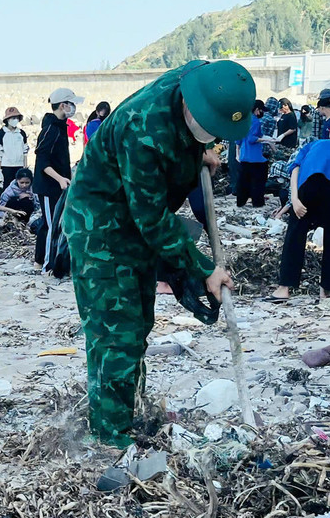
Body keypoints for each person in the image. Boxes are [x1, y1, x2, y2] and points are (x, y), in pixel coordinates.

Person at [63, 59, 252, 446]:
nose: (214, 138)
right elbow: (152, 220)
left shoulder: (201, 79)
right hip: (101, 227)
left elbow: (186, 144)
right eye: (209, 131)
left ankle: (129, 406)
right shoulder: (142, 129)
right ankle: (110, 435)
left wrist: (200, 148)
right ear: (190, 107)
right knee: (116, 331)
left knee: (138, 323)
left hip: (133, 220)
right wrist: (204, 269)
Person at [268, 139, 330, 302]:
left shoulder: (311, 146)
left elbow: (294, 168)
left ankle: (284, 288)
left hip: (308, 185)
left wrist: (294, 200)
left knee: (295, 234)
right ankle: (326, 290)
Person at [34, 88, 78, 271]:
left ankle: (38, 261)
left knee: (48, 223)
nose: (74, 107)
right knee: (52, 226)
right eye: (71, 104)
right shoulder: (51, 129)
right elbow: (42, 161)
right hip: (48, 186)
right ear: (63, 105)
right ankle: (46, 266)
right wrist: (60, 179)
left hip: (58, 184)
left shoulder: (61, 126)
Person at [236, 100, 269, 207]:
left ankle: (241, 202)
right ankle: (257, 202)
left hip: (244, 156)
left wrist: (237, 154)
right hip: (255, 157)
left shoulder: (243, 121)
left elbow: (238, 140)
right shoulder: (256, 122)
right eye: (260, 111)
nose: (261, 113)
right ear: (256, 110)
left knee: (243, 182)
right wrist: (266, 140)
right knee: (258, 182)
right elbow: (252, 139)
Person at [0, 107, 29, 188]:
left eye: (16, 118)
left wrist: (25, 167)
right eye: (13, 118)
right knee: (5, 191)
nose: (15, 120)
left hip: (19, 166)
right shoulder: (1, 133)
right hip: (6, 167)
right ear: (7, 119)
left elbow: (25, 152)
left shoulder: (21, 133)